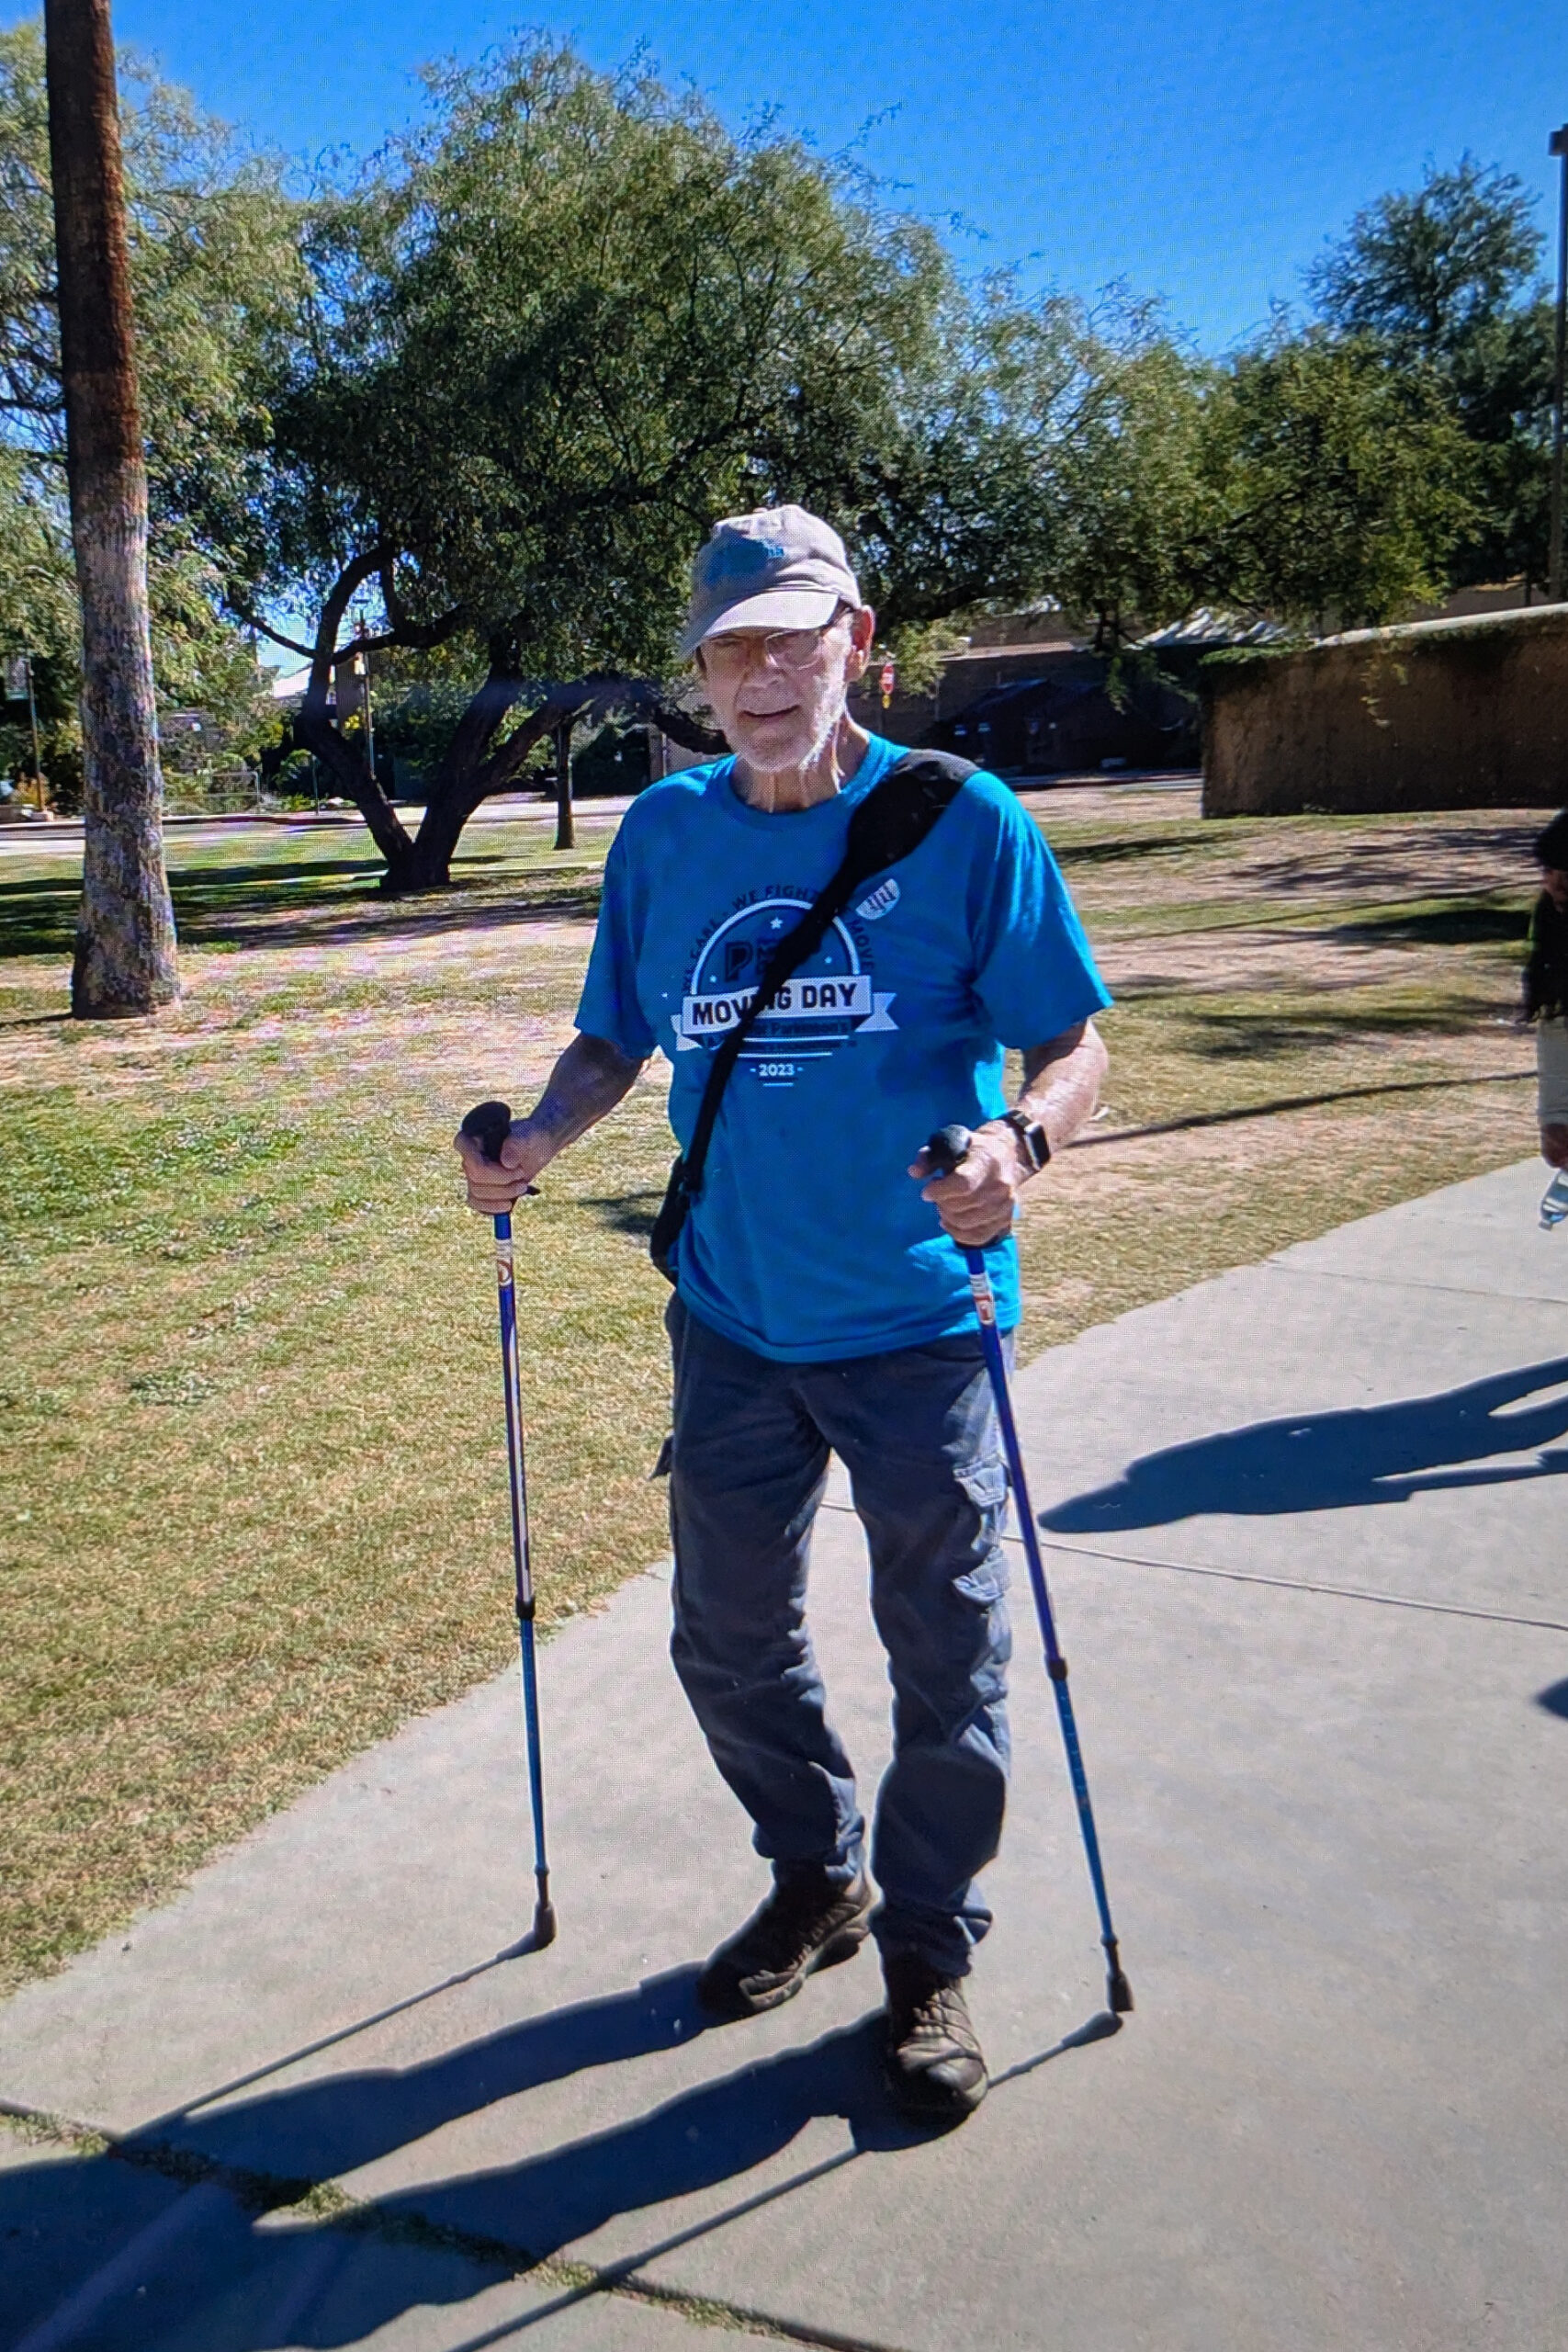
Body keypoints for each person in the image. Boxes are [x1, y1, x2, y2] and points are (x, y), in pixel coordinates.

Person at [457, 507, 1111, 2124]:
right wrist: (539, 1138)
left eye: (788, 637)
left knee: (944, 1659)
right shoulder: (667, 837)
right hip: (735, 1319)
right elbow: (618, 1037)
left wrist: (1017, 1149)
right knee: (724, 1636)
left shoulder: (964, 822)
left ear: (855, 639)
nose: (759, 674)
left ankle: (929, 1952)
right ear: (700, 670)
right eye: (728, 647)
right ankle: (818, 1875)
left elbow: (1075, 1043)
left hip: (916, 1322)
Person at [1524, 809, 1568, 1171]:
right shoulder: (1550, 916)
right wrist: (1553, 1119)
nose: (1552, 883)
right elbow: (1554, 1025)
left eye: (1563, 873)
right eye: (1547, 872)